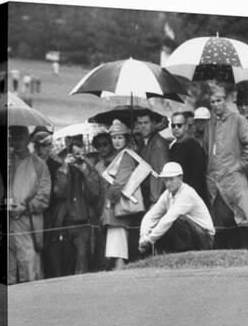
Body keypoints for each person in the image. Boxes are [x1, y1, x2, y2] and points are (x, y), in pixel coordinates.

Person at [205, 84, 248, 249]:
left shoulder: (238, 119)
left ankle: (245, 255)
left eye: (219, 100)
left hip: (235, 179)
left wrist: (241, 166)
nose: (216, 104)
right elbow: (209, 150)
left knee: (242, 218)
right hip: (216, 182)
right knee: (221, 221)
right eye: (212, 102)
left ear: (225, 100)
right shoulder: (211, 124)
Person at [48, 138, 101, 275]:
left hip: (83, 223)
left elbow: (94, 194)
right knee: (65, 261)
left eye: (81, 155)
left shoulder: (90, 170)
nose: (78, 158)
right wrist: (65, 168)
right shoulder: (62, 170)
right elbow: (58, 192)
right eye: (75, 155)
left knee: (81, 260)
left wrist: (85, 171)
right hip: (64, 223)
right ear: (68, 155)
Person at [95, 121, 142, 269]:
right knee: (116, 243)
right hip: (117, 205)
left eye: (120, 137)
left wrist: (110, 199)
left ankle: (119, 272)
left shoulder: (126, 156)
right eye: (114, 138)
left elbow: (120, 182)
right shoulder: (120, 155)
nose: (116, 141)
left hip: (118, 204)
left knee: (118, 244)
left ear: (126, 139)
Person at [139, 162, 215, 254]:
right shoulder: (167, 194)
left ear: (180, 178)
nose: (168, 183)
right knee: (160, 225)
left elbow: (169, 218)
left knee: (177, 220)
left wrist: (150, 240)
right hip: (195, 234)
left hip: (205, 238)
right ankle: (167, 256)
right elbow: (151, 215)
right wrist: (143, 236)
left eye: (171, 179)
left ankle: (184, 254)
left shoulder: (187, 193)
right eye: (166, 180)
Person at [8, 125, 51, 284]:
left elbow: (44, 195)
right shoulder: (6, 162)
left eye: (20, 138)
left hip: (29, 221)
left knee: (29, 262)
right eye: (13, 138)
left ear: (28, 140)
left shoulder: (39, 164)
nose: (16, 142)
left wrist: (25, 207)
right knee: (9, 265)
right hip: (8, 220)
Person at [32, 129, 63, 278]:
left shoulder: (56, 165)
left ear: (50, 146)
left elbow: (59, 192)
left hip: (52, 212)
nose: (40, 149)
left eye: (43, 146)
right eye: (37, 146)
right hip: (36, 211)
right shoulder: (30, 164)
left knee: (51, 247)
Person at [169, 112, 208, 204]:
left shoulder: (194, 146)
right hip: (178, 196)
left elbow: (198, 177)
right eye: (173, 125)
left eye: (179, 125)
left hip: (192, 198)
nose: (176, 128)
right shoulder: (174, 146)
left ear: (186, 126)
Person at [135, 111, 170, 209]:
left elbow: (158, 173)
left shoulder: (157, 144)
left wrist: (155, 200)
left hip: (155, 198)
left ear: (153, 124)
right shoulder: (145, 141)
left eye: (146, 123)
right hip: (147, 193)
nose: (143, 126)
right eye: (140, 123)